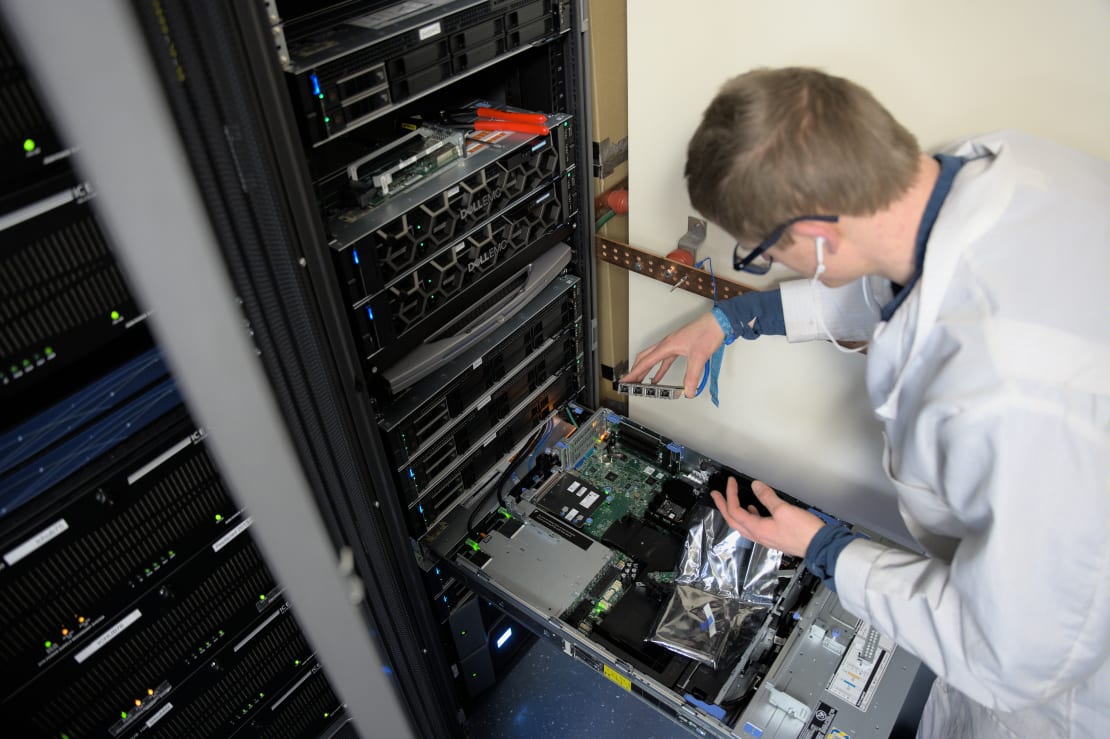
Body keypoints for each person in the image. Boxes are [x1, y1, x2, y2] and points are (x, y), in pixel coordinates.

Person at [621, 67, 1110, 737]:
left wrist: (823, 546)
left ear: (820, 231)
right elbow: (888, 278)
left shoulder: (1013, 388)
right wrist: (733, 319)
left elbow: (1010, 659)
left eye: (762, 248)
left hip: (1063, 692)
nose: (763, 259)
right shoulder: (992, 169)